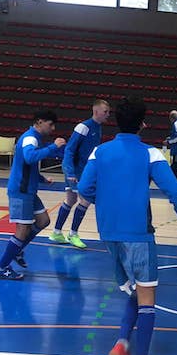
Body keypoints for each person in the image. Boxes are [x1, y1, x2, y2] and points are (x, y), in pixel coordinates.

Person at [77, 97, 177, 355]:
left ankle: (121, 343)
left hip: (108, 234)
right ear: (142, 124)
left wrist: (103, 202)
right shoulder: (151, 154)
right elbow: (176, 194)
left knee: (135, 291)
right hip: (139, 235)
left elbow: (83, 189)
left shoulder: (99, 151)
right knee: (147, 300)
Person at [0, 110, 66, 280]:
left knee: (43, 221)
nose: (53, 128)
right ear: (39, 122)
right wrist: (53, 147)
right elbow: (29, 157)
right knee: (22, 230)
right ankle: (1, 267)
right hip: (21, 191)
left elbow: (27, 166)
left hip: (29, 190)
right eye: (50, 124)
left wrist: (41, 178)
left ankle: (18, 250)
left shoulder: (35, 138)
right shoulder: (30, 138)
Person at [49, 99, 109, 249]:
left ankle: (56, 232)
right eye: (105, 112)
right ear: (96, 111)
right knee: (85, 200)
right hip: (77, 171)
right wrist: (69, 172)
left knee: (70, 200)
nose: (108, 115)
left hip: (85, 170)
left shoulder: (98, 127)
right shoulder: (84, 127)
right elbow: (69, 149)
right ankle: (73, 234)